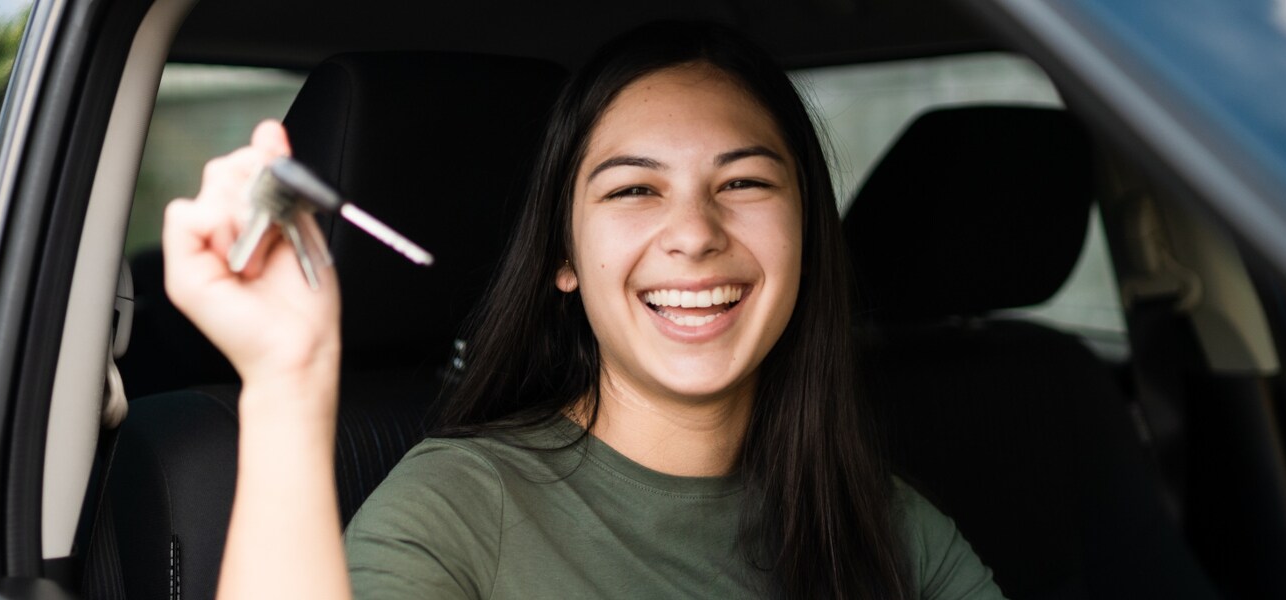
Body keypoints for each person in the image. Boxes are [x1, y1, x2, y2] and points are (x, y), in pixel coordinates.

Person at [161, 21, 1005, 600]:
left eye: (743, 183)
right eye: (636, 189)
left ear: (807, 234)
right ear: (563, 257)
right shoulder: (459, 510)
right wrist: (288, 378)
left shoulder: (887, 525)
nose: (695, 235)